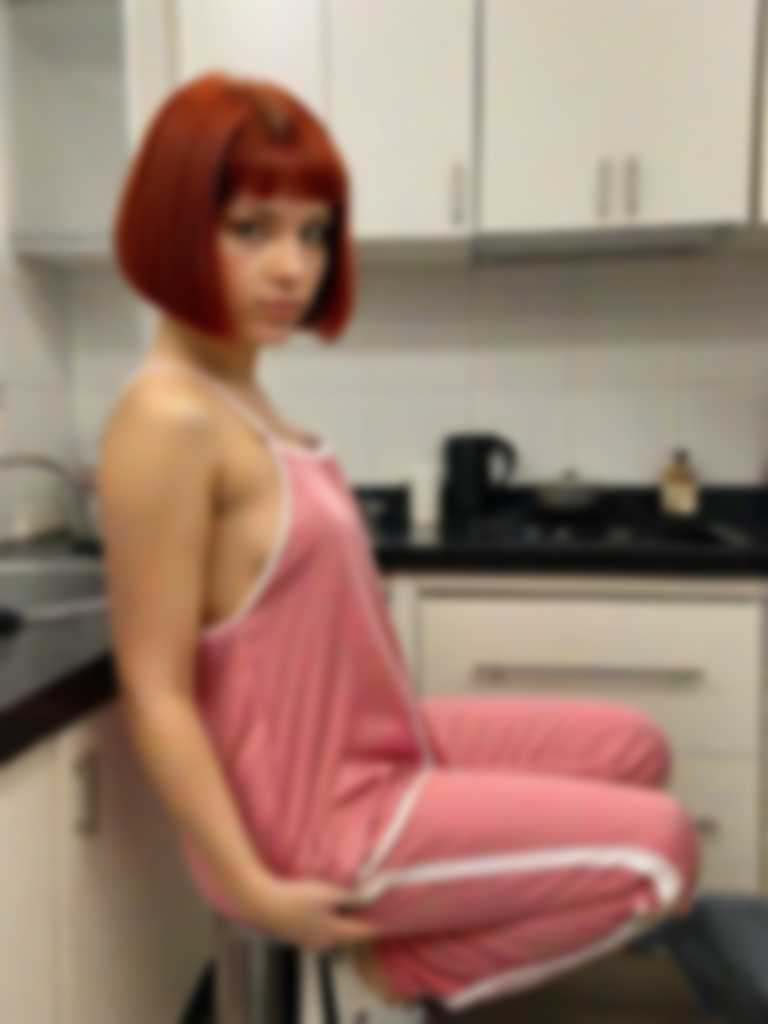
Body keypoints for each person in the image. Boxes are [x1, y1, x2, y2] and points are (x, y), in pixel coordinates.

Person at [97, 71, 700, 1021]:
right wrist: (253, 887)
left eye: (313, 233)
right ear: (175, 223)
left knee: (635, 748)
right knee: (660, 854)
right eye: (251, 229)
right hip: (317, 818)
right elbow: (156, 688)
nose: (292, 268)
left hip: (372, 748)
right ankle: (391, 975)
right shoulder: (166, 419)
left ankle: (409, 931)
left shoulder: (241, 396)